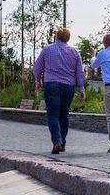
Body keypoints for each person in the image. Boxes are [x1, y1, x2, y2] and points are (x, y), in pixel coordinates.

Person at [34, 26, 85, 154]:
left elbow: (37, 67)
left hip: (52, 85)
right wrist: (81, 88)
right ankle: (62, 143)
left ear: (56, 36)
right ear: (68, 38)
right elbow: (80, 72)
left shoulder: (47, 49)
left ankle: (57, 141)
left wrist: (38, 81)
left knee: (53, 115)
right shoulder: (75, 52)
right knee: (64, 115)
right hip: (68, 87)